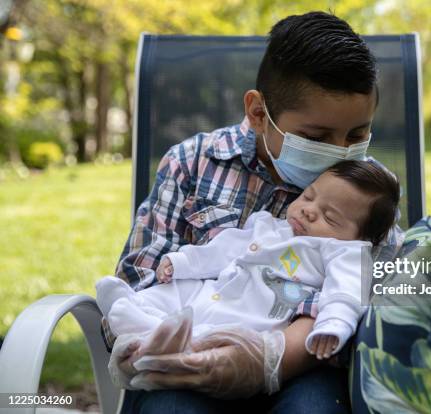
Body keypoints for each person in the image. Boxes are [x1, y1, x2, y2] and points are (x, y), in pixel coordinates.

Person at [103, 11, 403, 414]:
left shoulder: (371, 191)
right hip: (188, 351)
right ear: (259, 113)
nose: (341, 151)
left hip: (305, 369)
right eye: (316, 138)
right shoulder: (192, 162)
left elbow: (376, 306)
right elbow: (139, 279)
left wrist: (275, 355)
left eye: (358, 134)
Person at [96, 161, 400, 394]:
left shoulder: (344, 252)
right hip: (211, 291)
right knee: (174, 291)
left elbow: (347, 292)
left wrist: (334, 324)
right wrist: (182, 262)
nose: (308, 211)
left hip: (253, 319)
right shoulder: (266, 225)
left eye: (330, 217)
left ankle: (152, 334)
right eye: (308, 197)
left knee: (206, 340)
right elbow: (222, 250)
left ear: (363, 238)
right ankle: (134, 309)